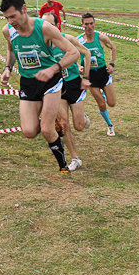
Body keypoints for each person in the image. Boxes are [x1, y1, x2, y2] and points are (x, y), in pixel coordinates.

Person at [0, 0, 80, 175]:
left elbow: (73, 53)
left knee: (46, 130)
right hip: (28, 83)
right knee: (29, 131)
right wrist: (7, 68)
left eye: (13, 16)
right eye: (6, 18)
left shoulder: (44, 28)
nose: (10, 21)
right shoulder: (8, 30)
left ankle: (63, 167)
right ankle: (51, 118)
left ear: (24, 9)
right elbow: (11, 50)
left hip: (50, 82)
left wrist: (53, 69)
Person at [42, 12, 92, 171]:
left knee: (79, 126)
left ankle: (82, 117)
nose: (46, 28)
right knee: (64, 124)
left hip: (74, 84)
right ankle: (75, 159)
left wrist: (86, 77)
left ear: (57, 26)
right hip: (57, 87)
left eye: (51, 25)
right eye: (44, 25)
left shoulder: (68, 39)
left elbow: (87, 53)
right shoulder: (40, 45)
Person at [77, 12, 117, 136]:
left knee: (112, 103)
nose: (89, 27)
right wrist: (79, 66)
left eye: (91, 23)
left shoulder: (101, 38)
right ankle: (109, 125)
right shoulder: (78, 40)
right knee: (101, 104)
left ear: (94, 23)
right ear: (82, 25)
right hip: (90, 76)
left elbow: (113, 47)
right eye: (86, 24)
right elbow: (71, 54)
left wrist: (111, 64)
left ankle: (103, 93)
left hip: (102, 73)